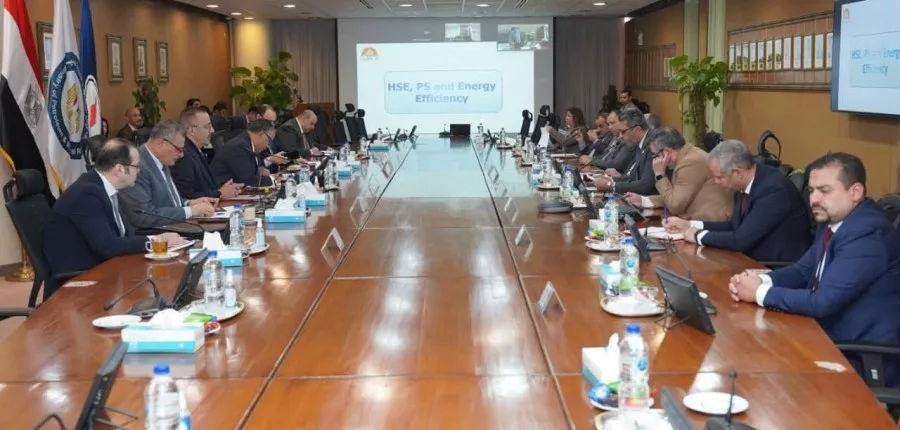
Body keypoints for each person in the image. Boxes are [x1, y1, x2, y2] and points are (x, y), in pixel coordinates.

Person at [728, 152, 900, 387]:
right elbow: (803, 271)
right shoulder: (833, 221)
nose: (814, 199)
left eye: (824, 191)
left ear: (855, 192)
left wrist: (759, 293)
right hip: (824, 335)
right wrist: (761, 280)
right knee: (747, 353)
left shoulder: (866, 235)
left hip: (859, 355)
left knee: (759, 374)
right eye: (811, 191)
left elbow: (823, 302)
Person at [42, 138, 185, 297]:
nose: (139, 171)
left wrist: (159, 239)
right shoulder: (86, 195)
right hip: (82, 280)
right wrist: (157, 241)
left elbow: (123, 235)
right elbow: (108, 246)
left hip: (106, 267)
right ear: (119, 170)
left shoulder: (103, 188)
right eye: (137, 166)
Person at [664, 139, 811, 262]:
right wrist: (690, 225)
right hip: (747, 258)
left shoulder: (773, 190)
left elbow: (741, 240)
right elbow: (735, 226)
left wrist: (697, 235)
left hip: (772, 266)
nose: (715, 182)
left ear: (737, 172)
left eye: (719, 177)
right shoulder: (744, 184)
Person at [119, 121, 217, 229]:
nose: (181, 155)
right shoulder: (137, 167)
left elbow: (168, 202)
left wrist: (190, 203)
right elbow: (144, 216)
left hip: (172, 227)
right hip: (152, 233)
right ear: (160, 144)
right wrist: (190, 211)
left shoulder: (162, 160)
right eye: (178, 149)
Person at [624, 127, 732, 221]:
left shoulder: (690, 162)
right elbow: (674, 196)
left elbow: (675, 205)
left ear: (666, 152)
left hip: (709, 223)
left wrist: (660, 174)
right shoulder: (688, 155)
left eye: (655, 155)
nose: (654, 160)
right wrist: (643, 200)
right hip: (697, 220)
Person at [171, 107, 243, 199]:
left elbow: (205, 187)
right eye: (207, 126)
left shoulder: (196, 150)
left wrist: (224, 189)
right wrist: (219, 193)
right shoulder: (183, 155)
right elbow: (186, 196)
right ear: (192, 130)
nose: (212, 130)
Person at [589, 107, 656, 195]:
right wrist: (610, 180)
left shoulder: (653, 145)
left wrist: (611, 185)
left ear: (637, 129)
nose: (620, 136)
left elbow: (646, 185)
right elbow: (634, 177)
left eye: (623, 132)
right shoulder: (640, 142)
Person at [210, 119, 278, 187]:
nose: (268, 146)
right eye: (269, 141)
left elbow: (252, 171)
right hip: (220, 190)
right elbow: (249, 181)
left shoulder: (248, 143)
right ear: (261, 134)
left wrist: (259, 170)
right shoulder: (239, 147)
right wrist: (273, 178)